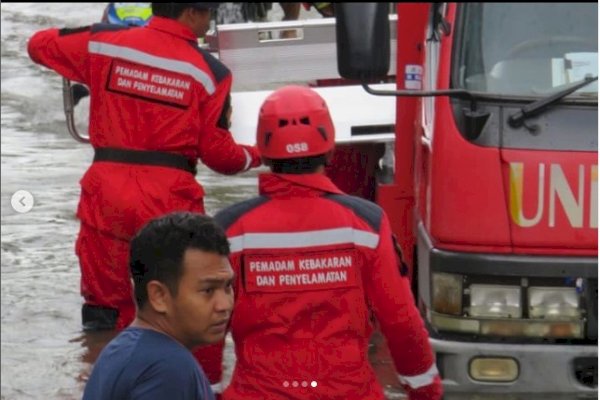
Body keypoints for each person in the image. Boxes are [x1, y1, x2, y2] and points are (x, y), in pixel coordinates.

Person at [27, 2, 259, 393]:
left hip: (107, 199)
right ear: (192, 14)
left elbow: (38, 44)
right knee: (186, 308)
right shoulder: (212, 73)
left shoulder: (104, 44)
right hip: (170, 203)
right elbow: (221, 156)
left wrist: (105, 36)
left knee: (104, 311)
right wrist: (259, 153)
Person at [214, 85, 443, 400]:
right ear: (330, 146)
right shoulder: (366, 223)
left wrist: (208, 389)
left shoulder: (229, 229)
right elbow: (401, 321)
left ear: (264, 152)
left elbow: (208, 325)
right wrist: (426, 390)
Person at [83, 211, 234, 400]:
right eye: (208, 290)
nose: (225, 304)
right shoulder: (169, 369)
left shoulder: (120, 351)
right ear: (159, 296)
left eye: (228, 286)